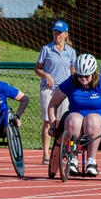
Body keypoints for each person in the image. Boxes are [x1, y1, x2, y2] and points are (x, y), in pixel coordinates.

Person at [47, 53, 101, 178]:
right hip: (76, 117)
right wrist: (53, 126)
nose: (83, 79)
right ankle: (73, 159)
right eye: (80, 76)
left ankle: (92, 161)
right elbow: (53, 104)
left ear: (93, 73)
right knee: (73, 119)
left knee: (92, 119)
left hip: (99, 120)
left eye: (86, 76)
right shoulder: (70, 82)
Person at [35, 20, 76, 163]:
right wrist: (46, 75)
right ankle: (46, 154)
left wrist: (73, 85)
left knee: (62, 122)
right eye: (55, 32)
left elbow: (73, 71)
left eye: (59, 32)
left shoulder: (71, 52)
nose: (57, 35)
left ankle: (60, 152)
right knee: (48, 121)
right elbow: (37, 69)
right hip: (48, 89)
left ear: (66, 34)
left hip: (64, 90)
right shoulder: (46, 49)